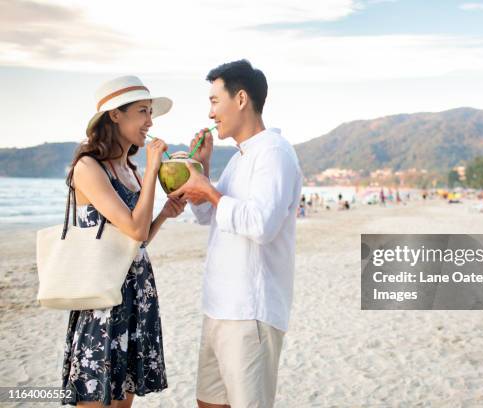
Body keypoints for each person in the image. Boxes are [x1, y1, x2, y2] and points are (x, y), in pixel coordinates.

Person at [168, 60, 302, 408]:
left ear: (241, 99)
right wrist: (203, 172)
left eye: (215, 101)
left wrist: (210, 191)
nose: (211, 113)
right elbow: (207, 216)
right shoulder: (240, 158)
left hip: (250, 310)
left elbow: (261, 225)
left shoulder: (273, 153)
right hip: (218, 307)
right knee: (209, 402)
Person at [60, 76, 186, 407]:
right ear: (115, 115)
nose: (150, 121)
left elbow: (135, 242)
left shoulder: (127, 169)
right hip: (103, 297)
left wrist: (163, 215)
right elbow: (134, 229)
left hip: (135, 293)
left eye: (150, 113)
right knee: (97, 396)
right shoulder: (89, 167)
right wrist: (151, 171)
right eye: (143, 111)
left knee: (123, 402)